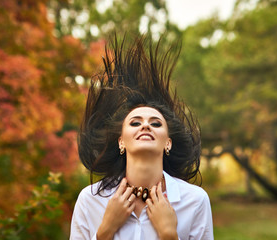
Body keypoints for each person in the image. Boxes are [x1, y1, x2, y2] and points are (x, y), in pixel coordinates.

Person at [70, 34, 213, 240]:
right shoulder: (90, 200)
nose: (145, 125)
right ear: (121, 141)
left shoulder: (195, 200)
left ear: (168, 143)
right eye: (135, 122)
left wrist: (169, 235)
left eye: (155, 123)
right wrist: (105, 231)